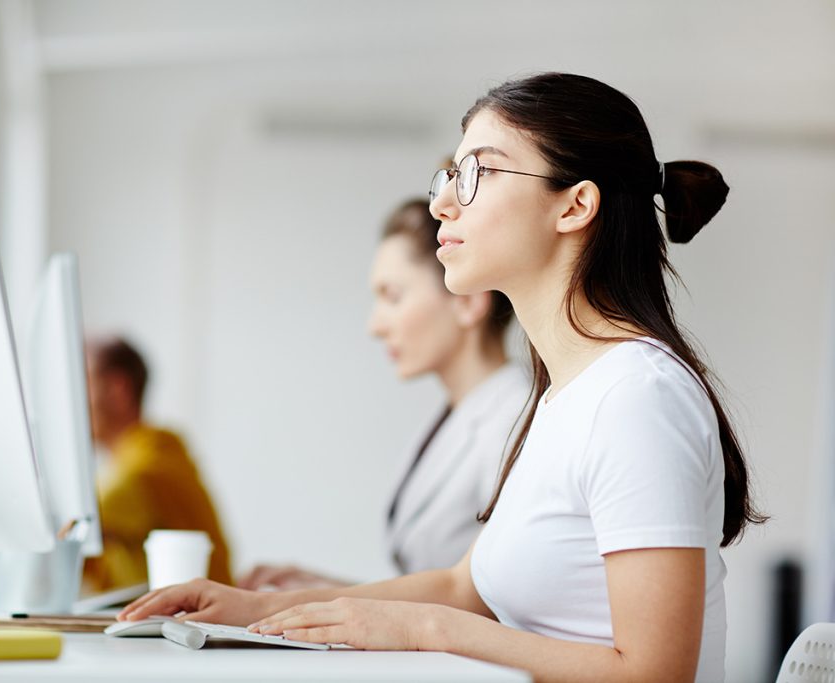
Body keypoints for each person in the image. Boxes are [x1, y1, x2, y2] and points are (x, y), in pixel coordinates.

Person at [117, 73, 766, 683]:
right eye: (449, 175)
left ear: (575, 206)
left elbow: (654, 672)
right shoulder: (566, 395)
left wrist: (426, 628)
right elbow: (464, 586)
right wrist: (248, 607)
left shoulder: (637, 397)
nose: (445, 202)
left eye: (477, 171)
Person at [238, 199, 530, 591]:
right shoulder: (452, 417)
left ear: (468, 300)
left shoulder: (515, 418)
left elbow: (498, 600)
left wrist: (325, 601)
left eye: (392, 296)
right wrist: (328, 589)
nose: (375, 325)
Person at [82, 336, 233, 590]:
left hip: (202, 622)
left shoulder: (152, 461)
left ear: (117, 389)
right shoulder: (135, 457)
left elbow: (75, 526)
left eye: (80, 382)